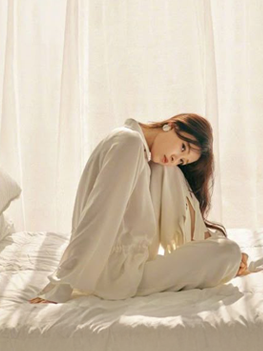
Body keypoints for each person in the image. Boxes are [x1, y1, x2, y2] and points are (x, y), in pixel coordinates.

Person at [29, 115, 250, 304]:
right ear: (171, 125)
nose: (176, 158)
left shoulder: (134, 145)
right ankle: (218, 250)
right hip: (115, 277)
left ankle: (208, 242)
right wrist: (61, 284)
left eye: (183, 160)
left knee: (167, 170)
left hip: (127, 266)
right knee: (227, 252)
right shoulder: (129, 143)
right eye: (183, 147)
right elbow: (99, 215)